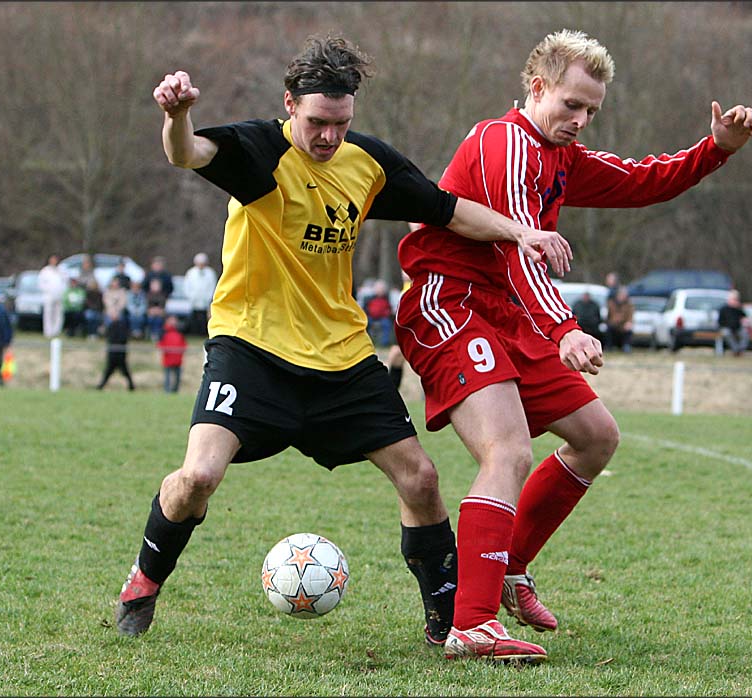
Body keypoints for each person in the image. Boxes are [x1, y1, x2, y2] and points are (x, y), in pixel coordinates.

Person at [114, 33, 562, 644]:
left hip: (342, 357)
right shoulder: (259, 150)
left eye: (341, 124)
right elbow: (185, 152)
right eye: (319, 122)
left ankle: (444, 617)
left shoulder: (365, 162)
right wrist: (177, 114)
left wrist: (518, 234)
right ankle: (145, 577)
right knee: (196, 478)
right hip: (252, 348)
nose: (329, 137)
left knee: (421, 480)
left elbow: (447, 208)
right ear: (290, 104)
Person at [395, 28, 752, 662]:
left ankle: (507, 566)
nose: (582, 120)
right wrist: (564, 328)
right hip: (448, 305)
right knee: (506, 450)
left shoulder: (560, 154)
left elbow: (645, 180)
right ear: (537, 88)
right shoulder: (504, 142)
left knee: (597, 436)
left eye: (592, 110)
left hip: (505, 313)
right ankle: (471, 624)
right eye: (572, 105)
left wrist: (715, 150)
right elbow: (518, 247)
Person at [96, 312, 135, 391]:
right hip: (116, 353)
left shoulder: (118, 326)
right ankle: (131, 386)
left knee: (117, 371)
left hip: (117, 354)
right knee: (111, 371)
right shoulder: (114, 326)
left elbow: (119, 339)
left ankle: (131, 386)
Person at [183, 252, 218, 336]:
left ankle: (203, 333)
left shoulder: (210, 273)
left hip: (206, 300)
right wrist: (191, 297)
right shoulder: (191, 272)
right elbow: (187, 286)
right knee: (194, 318)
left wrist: (208, 298)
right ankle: (193, 332)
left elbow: (212, 286)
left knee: (204, 318)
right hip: (194, 300)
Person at [37, 254, 67, 338]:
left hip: (59, 295)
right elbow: (41, 283)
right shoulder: (45, 271)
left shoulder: (61, 270)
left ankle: (56, 331)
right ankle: (48, 332)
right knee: (48, 313)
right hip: (49, 295)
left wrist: (62, 291)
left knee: (58, 314)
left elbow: (65, 282)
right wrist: (48, 290)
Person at [158, 314, 188, 393]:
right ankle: (167, 391)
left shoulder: (180, 331)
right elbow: (160, 344)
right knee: (167, 377)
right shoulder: (163, 332)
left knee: (177, 377)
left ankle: (175, 391)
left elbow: (184, 344)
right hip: (168, 359)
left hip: (178, 359)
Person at [717, 289, 749, 356]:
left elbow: (745, 318)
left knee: (745, 333)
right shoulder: (723, 309)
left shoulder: (739, 309)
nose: (735, 301)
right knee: (726, 333)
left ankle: (741, 349)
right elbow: (720, 322)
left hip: (738, 328)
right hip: (727, 328)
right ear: (729, 299)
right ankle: (736, 350)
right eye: (733, 299)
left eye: (736, 299)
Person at [365, 279, 394, 347]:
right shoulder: (369, 298)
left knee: (387, 324)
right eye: (378, 288)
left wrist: (387, 313)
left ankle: (384, 343)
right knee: (366, 323)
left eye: (381, 289)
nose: (380, 290)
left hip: (383, 318)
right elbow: (365, 308)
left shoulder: (387, 299)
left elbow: (390, 309)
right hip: (371, 317)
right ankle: (368, 342)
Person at [605, 286, 634, 353]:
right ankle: (609, 346)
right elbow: (608, 316)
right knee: (609, 329)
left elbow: (630, 316)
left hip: (623, 325)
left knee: (628, 330)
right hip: (613, 324)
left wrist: (629, 322)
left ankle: (626, 346)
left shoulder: (629, 305)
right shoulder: (611, 304)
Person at [145, 277, 168, 341]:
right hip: (150, 313)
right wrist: (151, 310)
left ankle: (157, 335)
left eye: (156, 285)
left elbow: (163, 306)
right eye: (153, 285)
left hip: (160, 313)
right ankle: (152, 334)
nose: (155, 287)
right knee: (151, 319)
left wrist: (157, 310)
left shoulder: (163, 295)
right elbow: (147, 305)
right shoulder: (147, 295)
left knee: (158, 320)